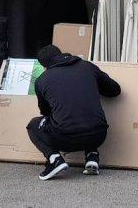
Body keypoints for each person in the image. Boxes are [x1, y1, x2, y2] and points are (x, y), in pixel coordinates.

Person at [28, 44, 122, 180]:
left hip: (65, 139)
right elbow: (115, 90)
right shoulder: (87, 67)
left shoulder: (42, 80)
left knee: (33, 125)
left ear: (44, 66)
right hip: (99, 134)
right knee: (87, 116)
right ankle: (92, 155)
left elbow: (45, 112)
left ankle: (55, 160)